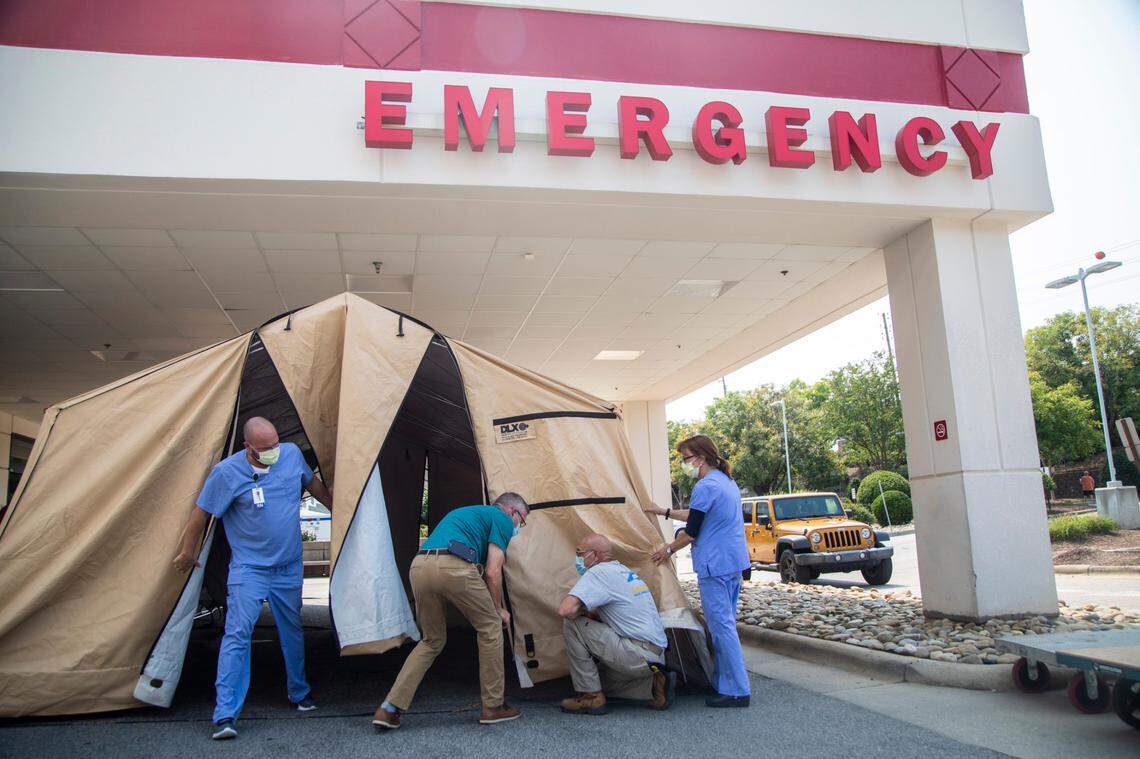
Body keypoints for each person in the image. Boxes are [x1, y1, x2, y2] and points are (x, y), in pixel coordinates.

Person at [172, 416, 333, 741]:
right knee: (237, 635)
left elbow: (313, 486)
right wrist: (187, 552)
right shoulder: (226, 473)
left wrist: (342, 509)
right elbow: (200, 514)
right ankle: (225, 714)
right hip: (249, 570)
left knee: (292, 630)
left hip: (288, 565)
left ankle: (299, 693)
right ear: (248, 447)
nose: (273, 451)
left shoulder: (289, 455)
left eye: (275, 444)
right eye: (265, 448)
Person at [372, 493, 529, 731]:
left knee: (431, 640)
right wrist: (498, 611)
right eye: (522, 520)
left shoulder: (467, 513)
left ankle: (389, 707)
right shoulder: (503, 519)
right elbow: (493, 571)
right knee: (491, 628)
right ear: (512, 511)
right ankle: (493, 706)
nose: (519, 526)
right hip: (454, 566)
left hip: (420, 566)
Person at [646, 434, 750, 708]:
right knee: (726, 624)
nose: (684, 463)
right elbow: (697, 515)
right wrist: (663, 511)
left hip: (714, 564)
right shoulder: (726, 482)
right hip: (732, 562)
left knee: (721, 627)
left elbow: (692, 531)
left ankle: (737, 690)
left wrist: (667, 549)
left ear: (700, 458)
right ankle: (725, 682)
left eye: (685, 458)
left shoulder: (705, 486)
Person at [557, 533, 675, 715]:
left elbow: (565, 610)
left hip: (635, 653)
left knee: (572, 624)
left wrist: (580, 611)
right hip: (655, 656)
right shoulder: (623, 571)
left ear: (594, 555)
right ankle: (653, 687)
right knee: (601, 681)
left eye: (580, 553)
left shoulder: (598, 572)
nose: (578, 558)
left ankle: (592, 697)